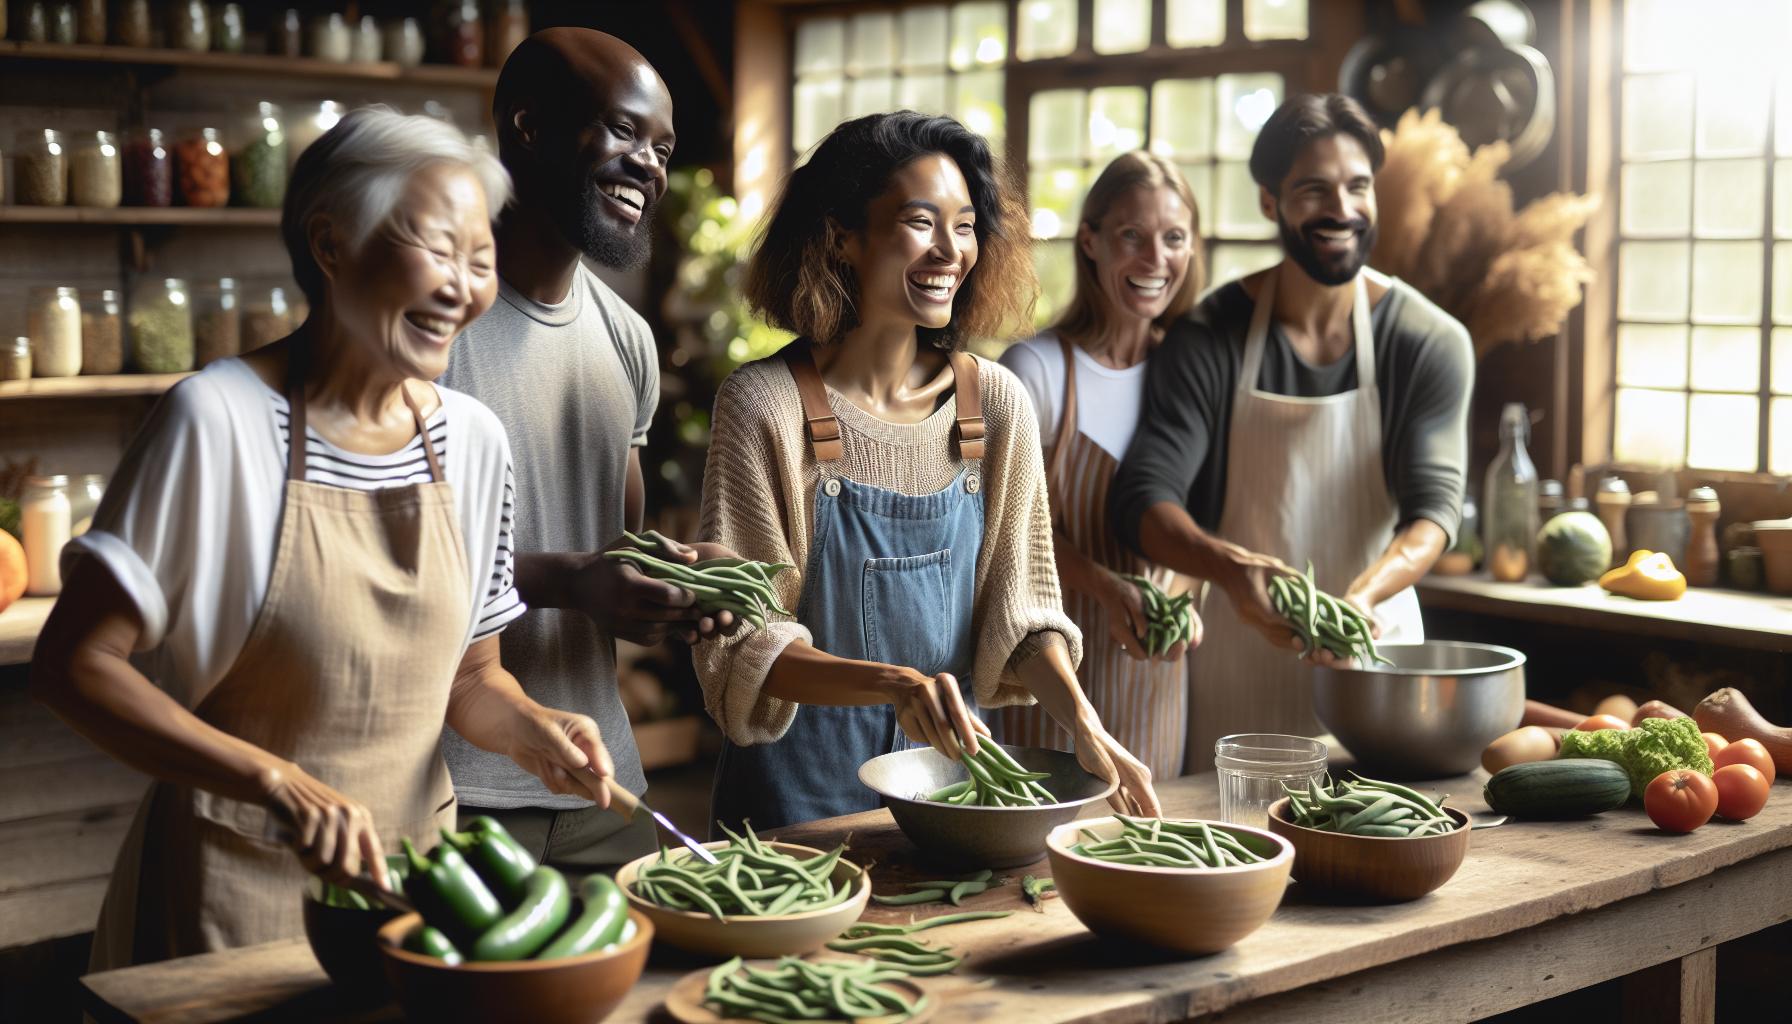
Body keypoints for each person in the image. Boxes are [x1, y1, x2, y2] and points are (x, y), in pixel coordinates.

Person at [31, 109, 618, 969]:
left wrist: (530, 726)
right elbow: (75, 665)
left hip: (419, 893)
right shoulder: (219, 420)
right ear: (332, 244)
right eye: (436, 249)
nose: (463, 285)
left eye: (481, 259)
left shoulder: (474, 440)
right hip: (237, 888)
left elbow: (471, 675)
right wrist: (272, 780)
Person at [695, 111, 1161, 832]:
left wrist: (1086, 728)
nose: (950, 250)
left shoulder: (995, 404)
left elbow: (1025, 618)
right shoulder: (764, 407)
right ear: (841, 236)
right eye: (921, 221)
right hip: (797, 808)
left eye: (967, 225)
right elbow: (745, 641)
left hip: (952, 799)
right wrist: (896, 685)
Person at [1109, 93, 1473, 771]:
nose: (1341, 209)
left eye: (1358, 187)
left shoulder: (1428, 340)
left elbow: (1436, 509)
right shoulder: (1209, 335)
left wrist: (1361, 599)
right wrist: (1232, 568)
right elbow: (1143, 500)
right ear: (1271, 202)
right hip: (1233, 667)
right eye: (1313, 189)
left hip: (1374, 656)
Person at [438, 28, 729, 873]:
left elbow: (614, 557)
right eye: (623, 131)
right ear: (526, 127)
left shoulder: (626, 339)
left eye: (664, 148)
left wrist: (678, 583)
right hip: (456, 791)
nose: (649, 164)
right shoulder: (429, 325)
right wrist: (569, 579)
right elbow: (385, 559)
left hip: (603, 781)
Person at [991, 152, 1205, 782]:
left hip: (1157, 676)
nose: (1154, 260)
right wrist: (1108, 589)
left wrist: (1184, 598)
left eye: (1173, 238)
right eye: (1131, 237)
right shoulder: (1037, 368)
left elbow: (1208, 520)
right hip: (1048, 670)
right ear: (1091, 241)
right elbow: (1008, 532)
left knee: (1150, 850)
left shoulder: (1192, 373)